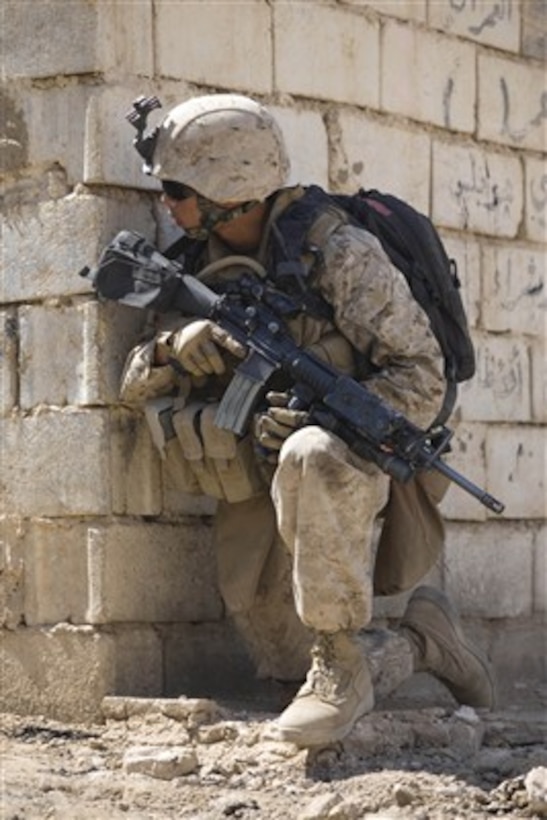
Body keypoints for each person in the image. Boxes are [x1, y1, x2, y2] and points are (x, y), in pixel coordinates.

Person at [119, 93, 495, 747]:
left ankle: (342, 672)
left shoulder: (339, 254)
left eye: (177, 190)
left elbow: (422, 377)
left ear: (228, 192)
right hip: (257, 486)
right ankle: (422, 643)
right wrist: (170, 349)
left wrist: (323, 418)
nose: (165, 204)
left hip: (348, 468)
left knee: (313, 452)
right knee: (280, 666)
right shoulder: (193, 263)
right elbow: (129, 388)